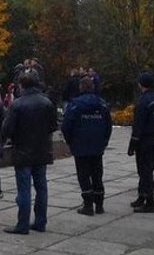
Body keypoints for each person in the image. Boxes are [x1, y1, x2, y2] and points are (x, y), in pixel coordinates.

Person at [2, 71, 58, 234]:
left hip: (23, 151)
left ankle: (22, 224)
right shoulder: (46, 102)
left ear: (21, 85)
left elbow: (7, 129)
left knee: (24, 190)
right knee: (42, 188)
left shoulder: (17, 104)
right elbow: (53, 126)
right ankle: (40, 222)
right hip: (42, 150)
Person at [61, 77, 112, 216]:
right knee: (97, 174)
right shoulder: (102, 104)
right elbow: (108, 125)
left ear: (81, 87)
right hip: (97, 145)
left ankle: (88, 205)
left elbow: (66, 125)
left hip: (80, 145)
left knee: (83, 175)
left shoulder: (75, 104)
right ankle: (99, 204)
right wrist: (104, 141)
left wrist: (70, 141)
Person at [128, 72, 154, 213]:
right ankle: (142, 196)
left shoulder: (143, 101)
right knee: (146, 170)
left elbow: (138, 125)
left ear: (140, 84)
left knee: (145, 171)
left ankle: (150, 202)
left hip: (145, 140)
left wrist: (132, 145)